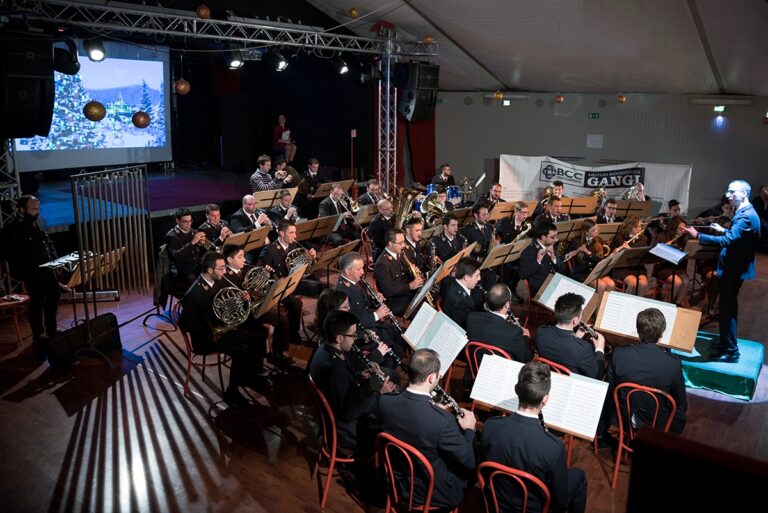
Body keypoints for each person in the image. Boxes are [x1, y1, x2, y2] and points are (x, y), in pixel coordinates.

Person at [378, 348, 477, 511]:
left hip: (396, 482)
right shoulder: (443, 421)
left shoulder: (385, 402)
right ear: (431, 378)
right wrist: (469, 431)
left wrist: (434, 411)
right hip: (430, 494)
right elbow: (469, 462)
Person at [481, 362, 587, 513]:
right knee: (579, 476)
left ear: (516, 390)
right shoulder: (553, 447)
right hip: (534, 509)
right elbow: (561, 503)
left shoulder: (491, 426)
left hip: (498, 504)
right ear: (545, 399)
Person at [683, 180, 760, 362]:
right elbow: (737, 237)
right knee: (727, 309)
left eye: (733, 192)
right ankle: (726, 343)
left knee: (727, 310)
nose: (728, 195)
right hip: (736, 268)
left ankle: (731, 351)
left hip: (733, 270)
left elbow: (728, 241)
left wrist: (698, 235)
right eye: (728, 191)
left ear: (744, 194)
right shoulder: (744, 213)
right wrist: (722, 230)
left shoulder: (744, 216)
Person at [179, 251, 267, 406]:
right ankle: (232, 391)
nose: (225, 271)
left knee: (259, 332)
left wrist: (243, 297)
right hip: (207, 339)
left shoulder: (218, 280)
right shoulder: (194, 294)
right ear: (209, 270)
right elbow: (186, 324)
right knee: (241, 347)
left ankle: (251, 375)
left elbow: (231, 298)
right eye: (220, 268)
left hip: (222, 328)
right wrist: (215, 328)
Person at [309, 310, 395, 455]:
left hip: (343, 409)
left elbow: (343, 390)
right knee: (390, 421)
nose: (355, 339)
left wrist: (359, 376)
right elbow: (349, 412)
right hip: (345, 428)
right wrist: (380, 394)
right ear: (339, 338)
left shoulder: (325, 350)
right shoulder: (334, 369)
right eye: (352, 335)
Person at [605, 308, 687, 434]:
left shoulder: (619, 354)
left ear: (638, 331)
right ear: (662, 334)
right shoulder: (672, 363)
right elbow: (681, 402)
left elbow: (609, 390)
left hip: (624, 418)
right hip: (658, 424)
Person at [1, 195, 60, 348]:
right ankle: (38, 334)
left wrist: (56, 261)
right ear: (22, 209)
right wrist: (25, 273)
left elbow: (48, 242)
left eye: (37, 208)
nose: (37, 211)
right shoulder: (13, 229)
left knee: (54, 296)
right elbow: (12, 255)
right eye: (33, 209)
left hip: (48, 268)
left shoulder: (40, 220)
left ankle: (51, 330)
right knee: (36, 303)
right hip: (32, 273)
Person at [335, 251, 405, 358]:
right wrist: (377, 315)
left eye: (363, 268)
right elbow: (354, 324)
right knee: (397, 350)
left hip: (372, 323)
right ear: (347, 271)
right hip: (363, 334)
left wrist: (375, 300)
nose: (363, 272)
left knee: (402, 336)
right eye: (359, 269)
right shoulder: (342, 293)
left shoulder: (357, 280)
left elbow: (365, 303)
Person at [535, 292, 606, 379]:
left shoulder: (541, 332)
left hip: (546, 377)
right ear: (575, 321)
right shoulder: (584, 349)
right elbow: (597, 376)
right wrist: (599, 349)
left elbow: (562, 346)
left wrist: (575, 337)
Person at [465, 284, 532, 362]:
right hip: (499, 371)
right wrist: (526, 338)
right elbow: (525, 359)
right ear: (507, 305)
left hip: (475, 366)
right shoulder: (514, 333)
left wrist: (505, 323)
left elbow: (491, 331)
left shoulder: (472, 317)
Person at [374, 229, 423, 316]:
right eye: (400, 243)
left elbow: (404, 274)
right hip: (395, 301)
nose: (403, 245)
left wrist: (413, 273)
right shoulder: (382, 264)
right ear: (390, 243)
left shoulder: (400, 253)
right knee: (421, 310)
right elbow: (388, 291)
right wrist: (410, 285)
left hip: (406, 293)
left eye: (404, 242)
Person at [518, 220, 568, 298]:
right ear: (543, 237)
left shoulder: (551, 246)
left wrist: (554, 258)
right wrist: (537, 261)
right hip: (539, 289)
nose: (556, 239)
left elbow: (563, 270)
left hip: (553, 284)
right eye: (553, 237)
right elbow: (522, 274)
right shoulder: (529, 251)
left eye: (556, 236)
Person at [565, 219, 615, 294]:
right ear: (586, 232)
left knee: (611, 284)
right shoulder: (576, 242)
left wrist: (588, 252)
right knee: (601, 285)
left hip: (595, 272)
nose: (597, 231)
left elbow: (600, 259)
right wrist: (575, 252)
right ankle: (596, 305)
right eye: (593, 230)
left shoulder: (599, 240)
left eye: (597, 228)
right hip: (581, 274)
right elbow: (568, 257)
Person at [654, 216, 690, 306]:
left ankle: (676, 303)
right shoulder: (663, 236)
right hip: (663, 267)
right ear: (674, 227)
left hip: (677, 267)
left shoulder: (683, 238)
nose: (683, 230)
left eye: (684, 228)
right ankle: (668, 304)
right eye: (680, 228)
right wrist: (664, 248)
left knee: (686, 281)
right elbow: (654, 254)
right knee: (677, 282)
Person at [165, 207, 206, 286]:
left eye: (190, 221)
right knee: (195, 279)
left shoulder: (193, 231)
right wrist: (193, 242)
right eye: (185, 221)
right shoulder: (171, 236)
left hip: (195, 266)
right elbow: (176, 257)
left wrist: (202, 244)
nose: (189, 224)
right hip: (181, 270)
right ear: (177, 221)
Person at [461, 202, 497, 290]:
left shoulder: (489, 227)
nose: (487, 217)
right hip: (474, 268)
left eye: (487, 214)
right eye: (484, 214)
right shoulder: (467, 230)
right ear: (476, 215)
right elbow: (463, 252)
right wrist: (477, 259)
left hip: (488, 266)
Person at [610, 215, 649, 296]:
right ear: (631, 227)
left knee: (643, 284)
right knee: (633, 283)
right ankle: (626, 303)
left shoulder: (643, 239)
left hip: (637, 266)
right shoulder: (619, 237)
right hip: (623, 267)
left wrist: (629, 249)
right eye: (637, 227)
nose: (640, 229)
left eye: (640, 226)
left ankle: (637, 303)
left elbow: (640, 253)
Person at [441, 257, 483, 329]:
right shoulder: (461, 302)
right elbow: (471, 326)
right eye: (477, 275)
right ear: (466, 277)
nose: (479, 278)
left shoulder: (451, 284)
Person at [752, 184, 768, 250]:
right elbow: (755, 212)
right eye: (761, 192)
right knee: (764, 225)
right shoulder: (756, 200)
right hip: (758, 218)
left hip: (766, 219)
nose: (762, 194)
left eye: (764, 192)